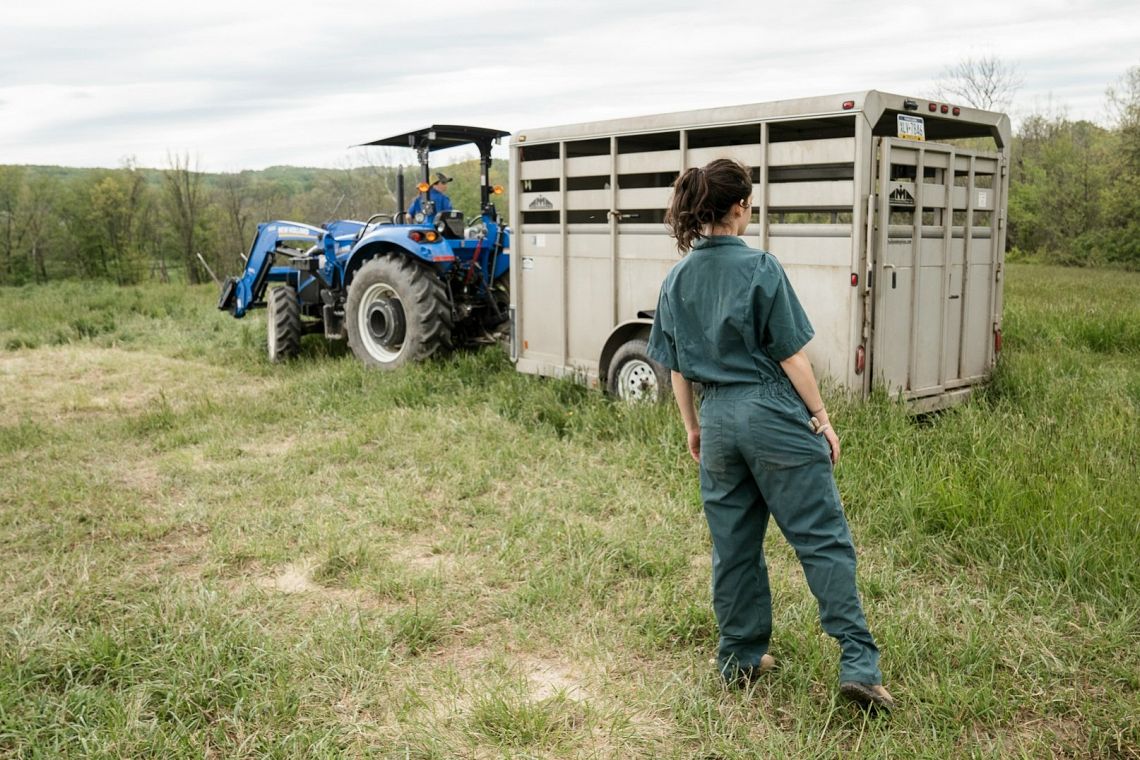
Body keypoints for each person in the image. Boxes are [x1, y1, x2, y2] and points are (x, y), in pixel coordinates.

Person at [646, 158, 894, 712]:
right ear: (738, 208)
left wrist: (694, 427)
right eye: (749, 201)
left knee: (733, 546)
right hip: (771, 411)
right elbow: (791, 356)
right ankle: (858, 663)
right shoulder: (761, 266)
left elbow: (678, 367)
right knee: (820, 536)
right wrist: (823, 419)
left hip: (717, 422)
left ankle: (739, 657)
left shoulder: (676, 278)